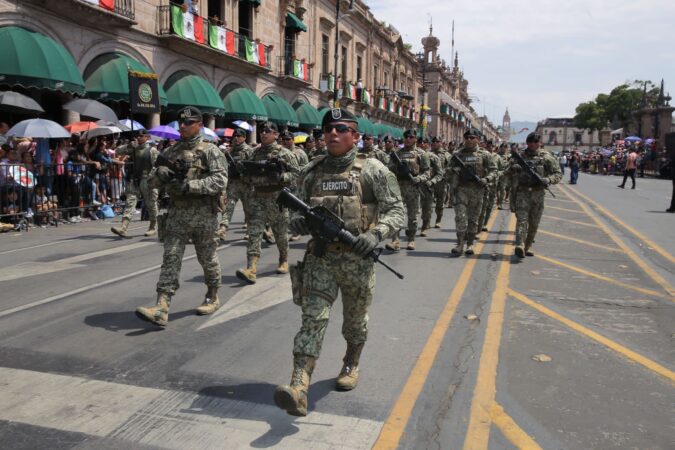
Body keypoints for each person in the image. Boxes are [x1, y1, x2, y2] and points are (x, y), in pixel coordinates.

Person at [273, 108, 404, 417]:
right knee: (312, 320)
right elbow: (293, 213)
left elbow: (396, 210)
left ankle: (351, 361)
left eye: (341, 128)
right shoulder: (312, 171)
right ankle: (299, 386)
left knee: (355, 322)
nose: (333, 133)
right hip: (320, 258)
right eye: (328, 128)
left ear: (355, 135)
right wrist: (298, 224)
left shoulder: (373, 170)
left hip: (357, 261)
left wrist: (376, 234)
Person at [135, 106, 228, 327]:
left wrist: (190, 185)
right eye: (181, 123)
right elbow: (151, 184)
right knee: (171, 257)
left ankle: (212, 295)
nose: (183, 126)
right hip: (177, 214)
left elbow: (220, 181)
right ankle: (162, 306)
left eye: (188, 123)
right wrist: (160, 174)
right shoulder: (170, 152)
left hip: (205, 215)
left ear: (200, 125)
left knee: (207, 259)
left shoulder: (211, 151)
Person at [235, 121, 299, 284]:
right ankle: (251, 267)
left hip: (277, 198)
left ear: (275, 135)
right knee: (254, 234)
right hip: (257, 199)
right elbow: (246, 174)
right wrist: (244, 174)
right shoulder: (254, 154)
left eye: (268, 131)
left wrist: (280, 177)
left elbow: (297, 174)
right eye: (262, 131)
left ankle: (283, 259)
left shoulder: (284, 154)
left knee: (280, 234)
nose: (263, 133)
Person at [507, 133, 562, 258]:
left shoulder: (546, 157)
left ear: (540, 142)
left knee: (534, 222)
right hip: (522, 192)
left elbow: (558, 174)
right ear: (527, 143)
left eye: (535, 141)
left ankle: (528, 245)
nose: (533, 144)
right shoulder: (519, 156)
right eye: (530, 141)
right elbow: (507, 171)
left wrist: (548, 180)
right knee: (522, 220)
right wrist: (514, 168)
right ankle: (519, 244)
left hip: (538, 193)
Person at [446, 128, 497, 255]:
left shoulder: (484, 155)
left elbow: (494, 170)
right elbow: (447, 170)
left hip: (477, 190)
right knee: (460, 217)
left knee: (473, 220)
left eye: (472, 138)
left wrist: (486, 179)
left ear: (477, 139)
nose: (469, 140)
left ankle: (470, 244)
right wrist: (455, 170)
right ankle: (460, 244)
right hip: (461, 190)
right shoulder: (458, 155)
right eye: (467, 138)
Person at [384, 129, 430, 251]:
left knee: (412, 216)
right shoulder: (397, 153)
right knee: (397, 214)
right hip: (398, 188)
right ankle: (395, 241)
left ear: (415, 138)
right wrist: (396, 168)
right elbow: (389, 171)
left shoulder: (421, 153)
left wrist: (419, 178)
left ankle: (411, 240)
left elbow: (427, 172)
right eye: (406, 137)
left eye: (411, 137)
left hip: (413, 188)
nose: (408, 139)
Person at [111, 130, 159, 237]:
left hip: (148, 180)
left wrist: (153, 179)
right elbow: (117, 151)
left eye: (141, 136)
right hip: (135, 179)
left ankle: (153, 226)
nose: (138, 137)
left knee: (151, 204)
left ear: (147, 137)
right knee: (130, 202)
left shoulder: (152, 151)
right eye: (137, 136)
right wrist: (129, 145)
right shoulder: (134, 148)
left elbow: (157, 166)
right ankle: (124, 227)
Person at [217, 128, 252, 240]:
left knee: (248, 209)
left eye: (239, 136)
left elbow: (253, 168)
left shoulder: (249, 151)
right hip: (233, 184)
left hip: (246, 184)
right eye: (235, 136)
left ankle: (249, 230)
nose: (236, 138)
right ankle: (223, 228)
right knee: (228, 207)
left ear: (244, 138)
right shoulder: (229, 152)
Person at [419, 136, 443, 236]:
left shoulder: (433, 157)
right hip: (413, 185)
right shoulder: (413, 155)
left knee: (427, 206)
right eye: (420, 142)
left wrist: (432, 181)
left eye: (424, 142)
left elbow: (439, 173)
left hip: (428, 185)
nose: (422, 144)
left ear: (428, 145)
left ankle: (425, 226)